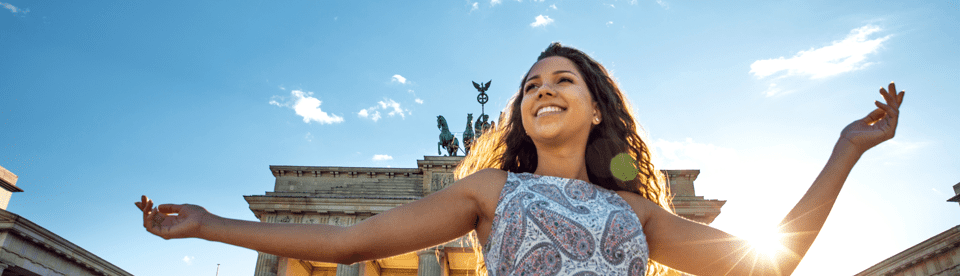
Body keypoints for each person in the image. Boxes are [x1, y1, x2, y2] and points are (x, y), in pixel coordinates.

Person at [136, 42, 904, 276]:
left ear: (595, 105)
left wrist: (845, 151)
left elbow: (772, 261)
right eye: (530, 84)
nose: (542, 89)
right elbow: (346, 245)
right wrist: (209, 226)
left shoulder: (634, 210)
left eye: (562, 80)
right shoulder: (490, 189)